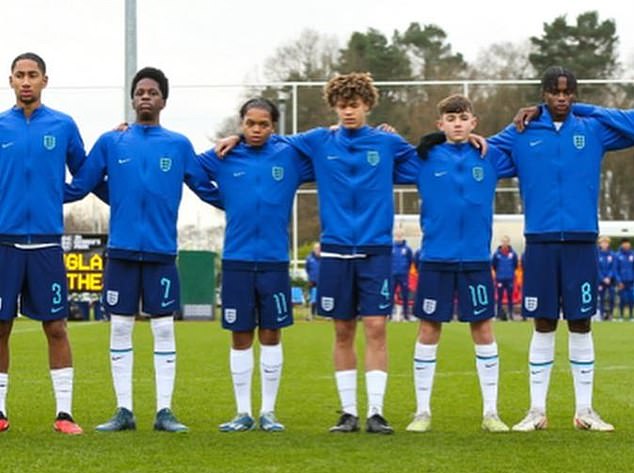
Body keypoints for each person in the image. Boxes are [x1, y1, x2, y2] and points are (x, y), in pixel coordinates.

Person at [216, 72, 419, 434]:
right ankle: (348, 413)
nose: (348, 112)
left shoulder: (388, 143)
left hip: (375, 249)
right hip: (336, 251)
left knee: (376, 328)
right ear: (334, 107)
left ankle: (375, 411)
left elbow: (426, 161)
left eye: (354, 105)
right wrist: (237, 136)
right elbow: (269, 139)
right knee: (342, 331)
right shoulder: (317, 140)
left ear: (367, 105)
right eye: (342, 106)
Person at [64, 67, 221, 432]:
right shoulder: (111, 141)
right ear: (132, 99)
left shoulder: (179, 145)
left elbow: (206, 187)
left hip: (162, 255)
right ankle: (124, 411)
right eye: (140, 92)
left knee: (163, 330)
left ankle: (165, 411)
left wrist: (245, 199)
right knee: (120, 329)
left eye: (152, 92)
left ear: (164, 100)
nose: (145, 96)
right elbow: (81, 185)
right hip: (120, 253)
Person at [488, 66, 634, 432]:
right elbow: (480, 149)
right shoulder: (521, 131)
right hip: (540, 240)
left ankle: (585, 410)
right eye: (555, 92)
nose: (562, 98)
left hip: (582, 240)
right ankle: (536, 411)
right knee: (543, 322)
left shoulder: (592, 127)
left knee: (581, 323)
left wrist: (590, 110)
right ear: (543, 94)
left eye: (569, 92)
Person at [395, 94, 514, 433]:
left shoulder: (490, 156)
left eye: (463, 118)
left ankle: (491, 412)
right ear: (440, 124)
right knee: (429, 329)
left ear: (473, 123)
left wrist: (491, 140)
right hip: (435, 259)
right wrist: (391, 133)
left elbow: (521, 142)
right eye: (450, 118)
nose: (457, 123)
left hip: (476, 260)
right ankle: (422, 412)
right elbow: (387, 154)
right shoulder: (424, 157)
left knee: (484, 329)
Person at [198, 98, 313, 432]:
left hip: (275, 261)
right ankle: (243, 412)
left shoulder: (289, 155)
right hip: (236, 260)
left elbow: (329, 157)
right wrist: (222, 198)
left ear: (273, 126)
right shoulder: (226, 155)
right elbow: (191, 170)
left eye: (263, 124)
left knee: (271, 333)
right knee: (240, 334)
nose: (257, 130)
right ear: (242, 123)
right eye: (250, 124)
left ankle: (268, 412)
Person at [0, 52, 85, 435]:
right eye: (20, 75)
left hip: (47, 245)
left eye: (33, 74)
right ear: (11, 81)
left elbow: (85, 173)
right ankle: (0, 413)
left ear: (45, 81)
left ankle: (64, 414)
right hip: (4, 243)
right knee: (0, 328)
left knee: (56, 327)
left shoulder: (64, 125)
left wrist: (55, 196)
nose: (26, 81)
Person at [491, 235, 519, 321]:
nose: (505, 243)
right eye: (503, 241)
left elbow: (515, 265)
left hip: (510, 278)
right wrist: (499, 273)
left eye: (506, 241)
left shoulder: (513, 254)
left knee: (510, 297)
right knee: (499, 297)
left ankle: (510, 314)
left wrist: (510, 273)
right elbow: (494, 265)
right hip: (500, 278)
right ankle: (498, 314)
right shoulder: (497, 254)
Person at [392, 228, 413, 321]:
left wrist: (405, 270)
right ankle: (390, 314)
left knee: (405, 295)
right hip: (392, 274)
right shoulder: (391, 248)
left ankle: (406, 315)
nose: (399, 237)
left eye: (400, 235)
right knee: (389, 295)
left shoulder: (407, 249)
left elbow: (410, 261)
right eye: (397, 235)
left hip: (403, 275)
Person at [597, 236, 616, 320]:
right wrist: (603, 278)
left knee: (611, 298)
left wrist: (609, 277)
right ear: (599, 244)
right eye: (602, 243)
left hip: (610, 281)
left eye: (606, 243)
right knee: (601, 299)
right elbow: (597, 268)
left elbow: (614, 267)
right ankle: (601, 315)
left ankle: (610, 315)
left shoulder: (612, 255)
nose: (604, 244)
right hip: (601, 281)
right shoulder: (597, 254)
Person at [615, 238, 634, 321]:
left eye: (627, 243)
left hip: (631, 281)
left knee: (631, 299)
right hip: (622, 282)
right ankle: (621, 316)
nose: (626, 245)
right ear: (622, 245)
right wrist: (619, 281)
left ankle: (631, 316)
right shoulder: (618, 255)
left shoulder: (632, 255)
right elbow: (615, 269)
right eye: (624, 243)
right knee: (622, 299)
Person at [305, 243, 321, 319]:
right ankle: (312, 314)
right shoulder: (309, 258)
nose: (318, 250)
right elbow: (307, 269)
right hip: (312, 281)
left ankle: (324, 314)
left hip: (322, 281)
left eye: (319, 248)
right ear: (314, 249)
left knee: (322, 298)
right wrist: (311, 277)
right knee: (312, 298)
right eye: (316, 248)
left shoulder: (324, 258)